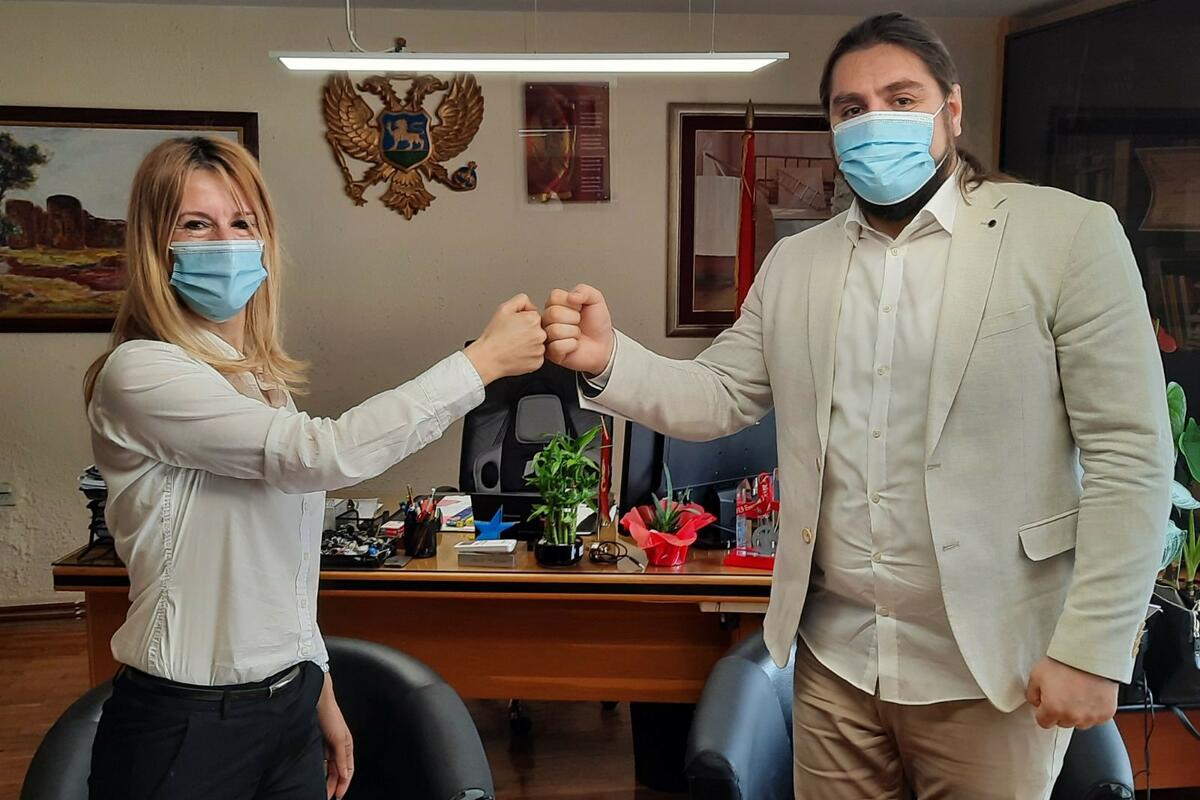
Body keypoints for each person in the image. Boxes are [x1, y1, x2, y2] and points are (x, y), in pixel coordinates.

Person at [542, 12, 1173, 799]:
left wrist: (1092, 649)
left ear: (952, 109)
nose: (876, 120)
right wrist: (609, 360)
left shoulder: (1066, 235)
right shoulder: (796, 264)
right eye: (851, 108)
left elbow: (1130, 458)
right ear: (833, 130)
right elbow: (721, 394)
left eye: (901, 99)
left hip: (993, 670)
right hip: (837, 664)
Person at [83, 135, 545, 800]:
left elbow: (283, 569)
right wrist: (481, 364)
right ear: (156, 246)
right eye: (196, 224)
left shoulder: (263, 385)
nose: (226, 242)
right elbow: (319, 456)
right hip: (186, 723)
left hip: (286, 712)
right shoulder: (140, 372)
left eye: (242, 222)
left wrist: (318, 688)